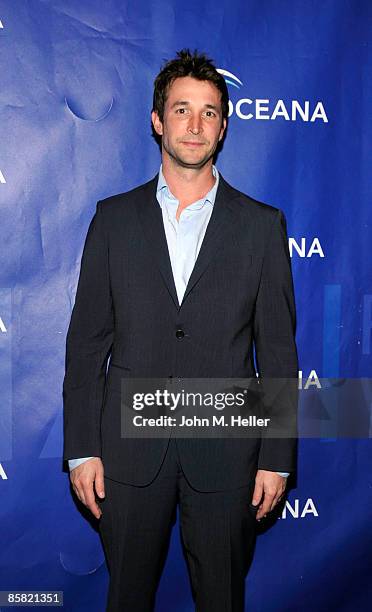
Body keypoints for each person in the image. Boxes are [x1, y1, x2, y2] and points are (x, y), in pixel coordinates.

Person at [63, 49, 298, 612]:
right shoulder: (113, 219)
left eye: (210, 113)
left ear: (222, 128)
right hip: (127, 457)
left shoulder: (262, 226)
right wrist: (81, 451)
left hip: (226, 455)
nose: (195, 125)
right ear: (156, 119)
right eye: (182, 109)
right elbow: (87, 343)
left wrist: (276, 456)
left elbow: (280, 352)